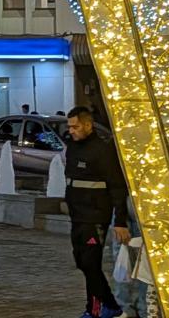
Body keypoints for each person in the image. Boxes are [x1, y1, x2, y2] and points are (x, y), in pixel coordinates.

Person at [65, 106, 130, 318]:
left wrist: (119, 221)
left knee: (90, 263)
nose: (71, 131)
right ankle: (104, 307)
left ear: (88, 125)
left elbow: (117, 187)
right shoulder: (72, 147)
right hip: (77, 216)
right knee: (82, 262)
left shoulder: (102, 150)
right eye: (69, 127)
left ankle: (102, 308)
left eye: (75, 127)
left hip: (95, 217)